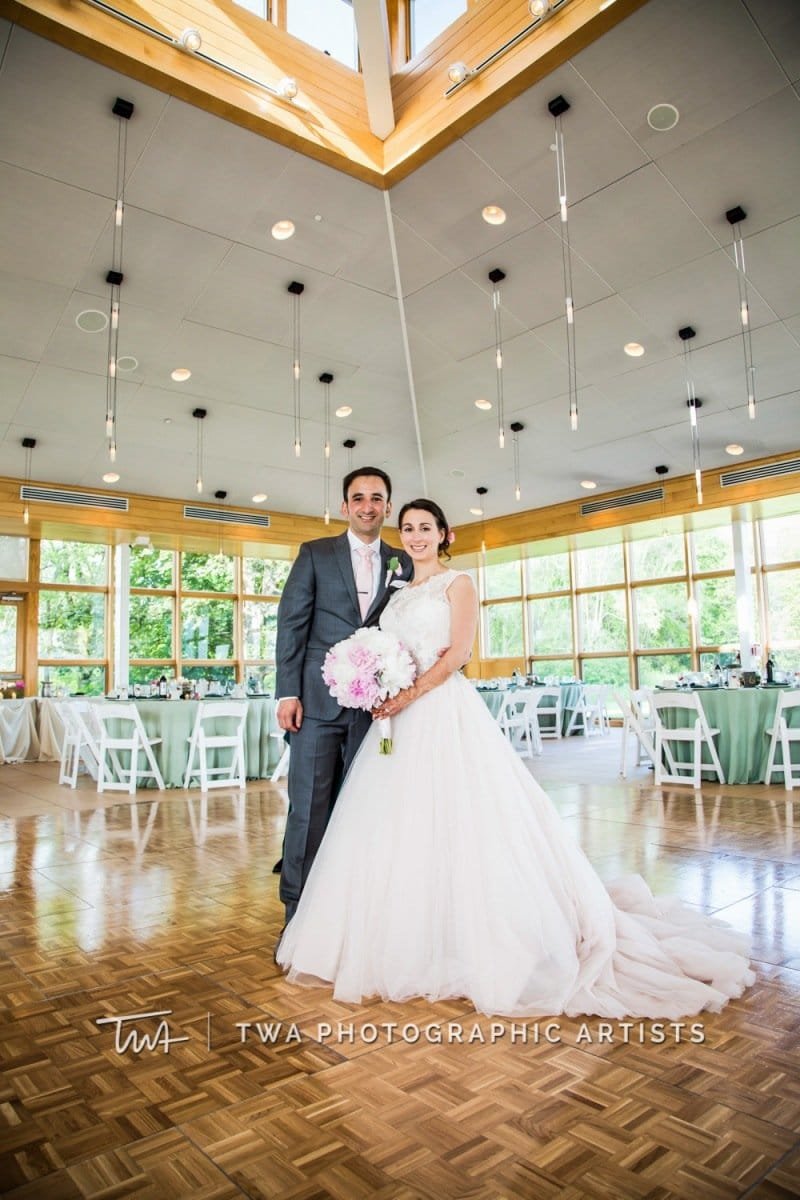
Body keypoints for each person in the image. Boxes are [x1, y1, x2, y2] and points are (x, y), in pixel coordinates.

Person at [277, 499, 755, 1019]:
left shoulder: (458, 584)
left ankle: (476, 936)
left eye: (425, 528)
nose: (416, 536)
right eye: (409, 528)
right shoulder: (394, 592)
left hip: (439, 712)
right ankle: (404, 930)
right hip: (392, 722)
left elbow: (459, 653)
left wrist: (405, 695)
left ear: (444, 533)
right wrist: (373, 684)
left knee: (463, 823)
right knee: (397, 826)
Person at [275, 467, 408, 926]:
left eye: (377, 498)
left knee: (367, 806)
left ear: (388, 505)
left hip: (376, 710)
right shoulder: (314, 554)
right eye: (359, 497)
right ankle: (296, 915)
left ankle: (356, 910)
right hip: (315, 704)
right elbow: (291, 624)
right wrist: (287, 692)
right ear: (344, 506)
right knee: (309, 807)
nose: (368, 506)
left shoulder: (403, 562)